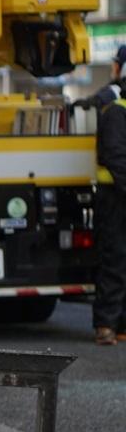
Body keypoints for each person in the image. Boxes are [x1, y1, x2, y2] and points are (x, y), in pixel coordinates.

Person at [93, 78, 126, 345]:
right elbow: (115, 156)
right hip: (115, 198)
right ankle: (106, 324)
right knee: (115, 259)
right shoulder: (116, 112)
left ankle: (121, 324)